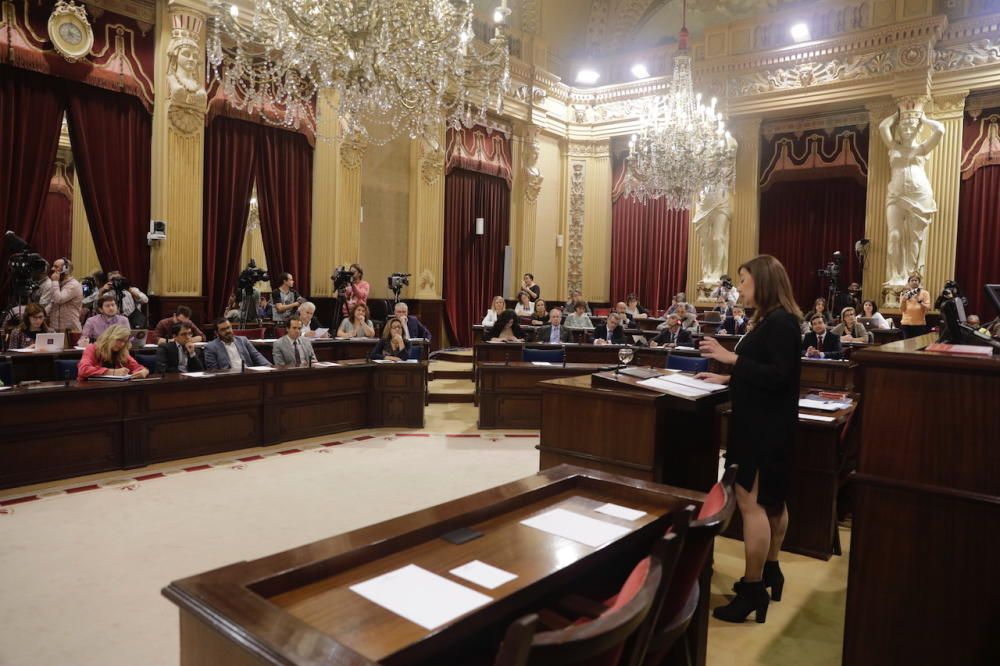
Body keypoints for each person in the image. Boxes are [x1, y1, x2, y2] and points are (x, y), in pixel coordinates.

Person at [694, 254, 802, 624]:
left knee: (751, 502)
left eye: (744, 280)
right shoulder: (772, 321)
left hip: (762, 428)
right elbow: (769, 374)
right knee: (772, 501)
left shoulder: (781, 323)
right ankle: (771, 568)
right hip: (768, 424)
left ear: (764, 283)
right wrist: (726, 379)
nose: (739, 288)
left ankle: (753, 587)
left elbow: (778, 375)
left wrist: (730, 361)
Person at [77, 324, 149, 380]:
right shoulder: (92, 348)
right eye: (119, 340)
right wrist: (113, 372)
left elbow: (137, 367)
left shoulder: (122, 352)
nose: (122, 344)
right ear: (109, 337)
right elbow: (84, 370)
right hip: (90, 389)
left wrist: (144, 372)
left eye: (125, 341)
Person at [203, 318, 271, 370]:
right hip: (228, 380)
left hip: (248, 375)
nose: (228, 331)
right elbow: (214, 371)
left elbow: (257, 356)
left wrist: (270, 368)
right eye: (223, 329)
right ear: (216, 333)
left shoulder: (243, 340)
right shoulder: (210, 347)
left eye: (229, 327)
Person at [44, 258, 83, 332]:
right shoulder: (58, 284)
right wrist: (42, 314)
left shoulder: (74, 285)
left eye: (56, 267)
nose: (52, 269)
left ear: (66, 269)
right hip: (55, 328)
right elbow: (52, 302)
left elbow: (59, 299)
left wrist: (55, 281)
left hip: (70, 330)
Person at [899, 271, 931, 338]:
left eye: (916, 280)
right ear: (909, 283)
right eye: (912, 280)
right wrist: (904, 301)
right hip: (906, 323)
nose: (914, 282)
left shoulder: (925, 293)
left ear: (919, 282)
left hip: (920, 324)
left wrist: (919, 301)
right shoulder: (904, 293)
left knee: (919, 345)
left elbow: (928, 308)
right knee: (907, 345)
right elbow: (902, 309)